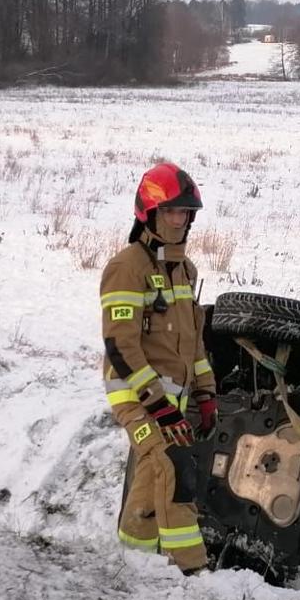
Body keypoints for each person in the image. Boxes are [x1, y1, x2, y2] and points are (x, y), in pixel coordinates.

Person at [99, 163, 218, 574]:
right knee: (174, 465)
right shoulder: (127, 267)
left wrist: (205, 393)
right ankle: (192, 570)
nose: (178, 220)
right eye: (170, 211)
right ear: (148, 214)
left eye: (185, 212)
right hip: (136, 396)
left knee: (150, 477)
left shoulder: (185, 270)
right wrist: (159, 406)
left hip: (172, 399)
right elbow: (121, 345)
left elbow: (194, 345)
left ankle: (132, 563)